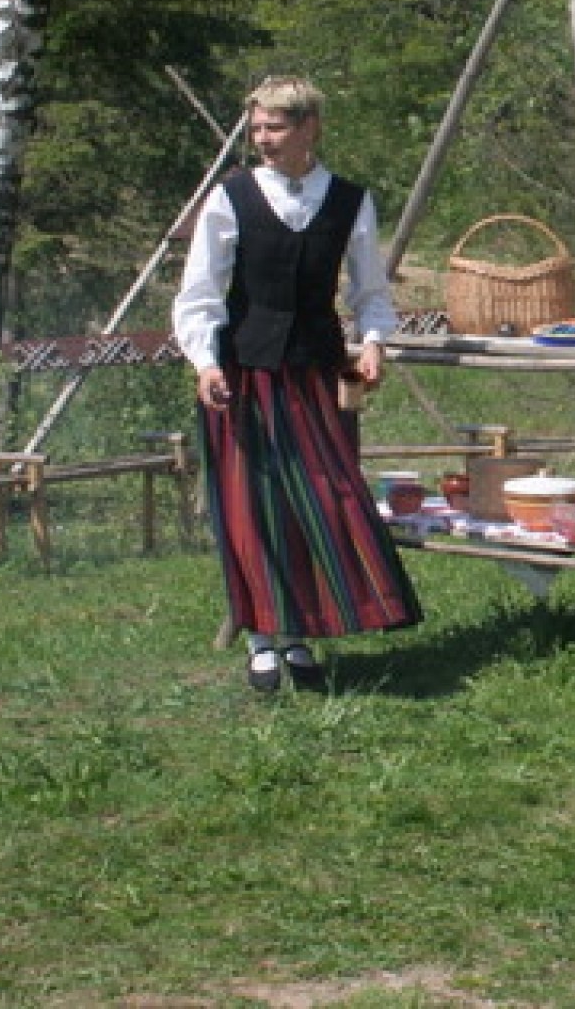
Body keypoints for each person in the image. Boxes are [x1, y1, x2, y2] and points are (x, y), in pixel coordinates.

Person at [173, 76, 422, 692]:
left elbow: (369, 291)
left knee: (322, 496)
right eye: (256, 129)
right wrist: (206, 362)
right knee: (252, 504)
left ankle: (303, 635)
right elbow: (200, 291)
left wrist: (371, 345)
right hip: (243, 373)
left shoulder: (347, 201)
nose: (262, 140)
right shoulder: (231, 197)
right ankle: (262, 638)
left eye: (274, 128)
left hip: (314, 371)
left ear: (310, 128)